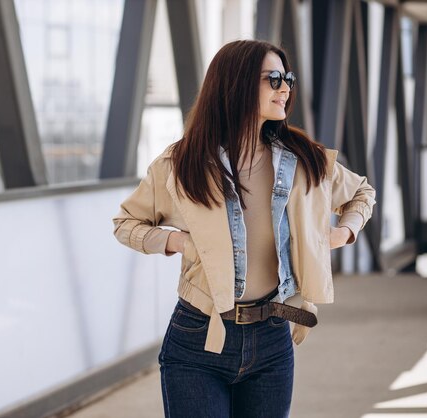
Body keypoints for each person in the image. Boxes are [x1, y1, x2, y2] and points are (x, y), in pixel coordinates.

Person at [112, 40, 376, 418]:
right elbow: (126, 223)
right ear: (235, 84)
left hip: (272, 338)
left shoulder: (304, 161)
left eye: (288, 79)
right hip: (197, 338)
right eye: (273, 79)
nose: (285, 88)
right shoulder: (180, 162)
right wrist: (177, 241)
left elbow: (362, 192)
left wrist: (342, 233)